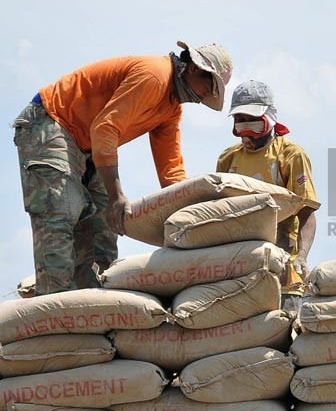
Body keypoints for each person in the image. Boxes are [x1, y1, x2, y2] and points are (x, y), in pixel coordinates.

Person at [13, 41, 233, 296]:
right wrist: (117, 195)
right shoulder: (154, 76)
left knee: (104, 227)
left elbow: (170, 168)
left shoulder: (170, 109)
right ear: (195, 69)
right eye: (210, 86)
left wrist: (190, 211)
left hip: (86, 144)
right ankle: (53, 306)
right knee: (61, 212)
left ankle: (91, 305)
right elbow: (105, 128)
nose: (205, 96)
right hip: (51, 122)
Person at [216, 80, 318, 314]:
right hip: (241, 272)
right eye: (239, 123)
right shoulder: (228, 159)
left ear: (269, 118)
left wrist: (301, 256)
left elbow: (307, 211)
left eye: (252, 123)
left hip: (284, 275)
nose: (246, 131)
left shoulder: (290, 155)